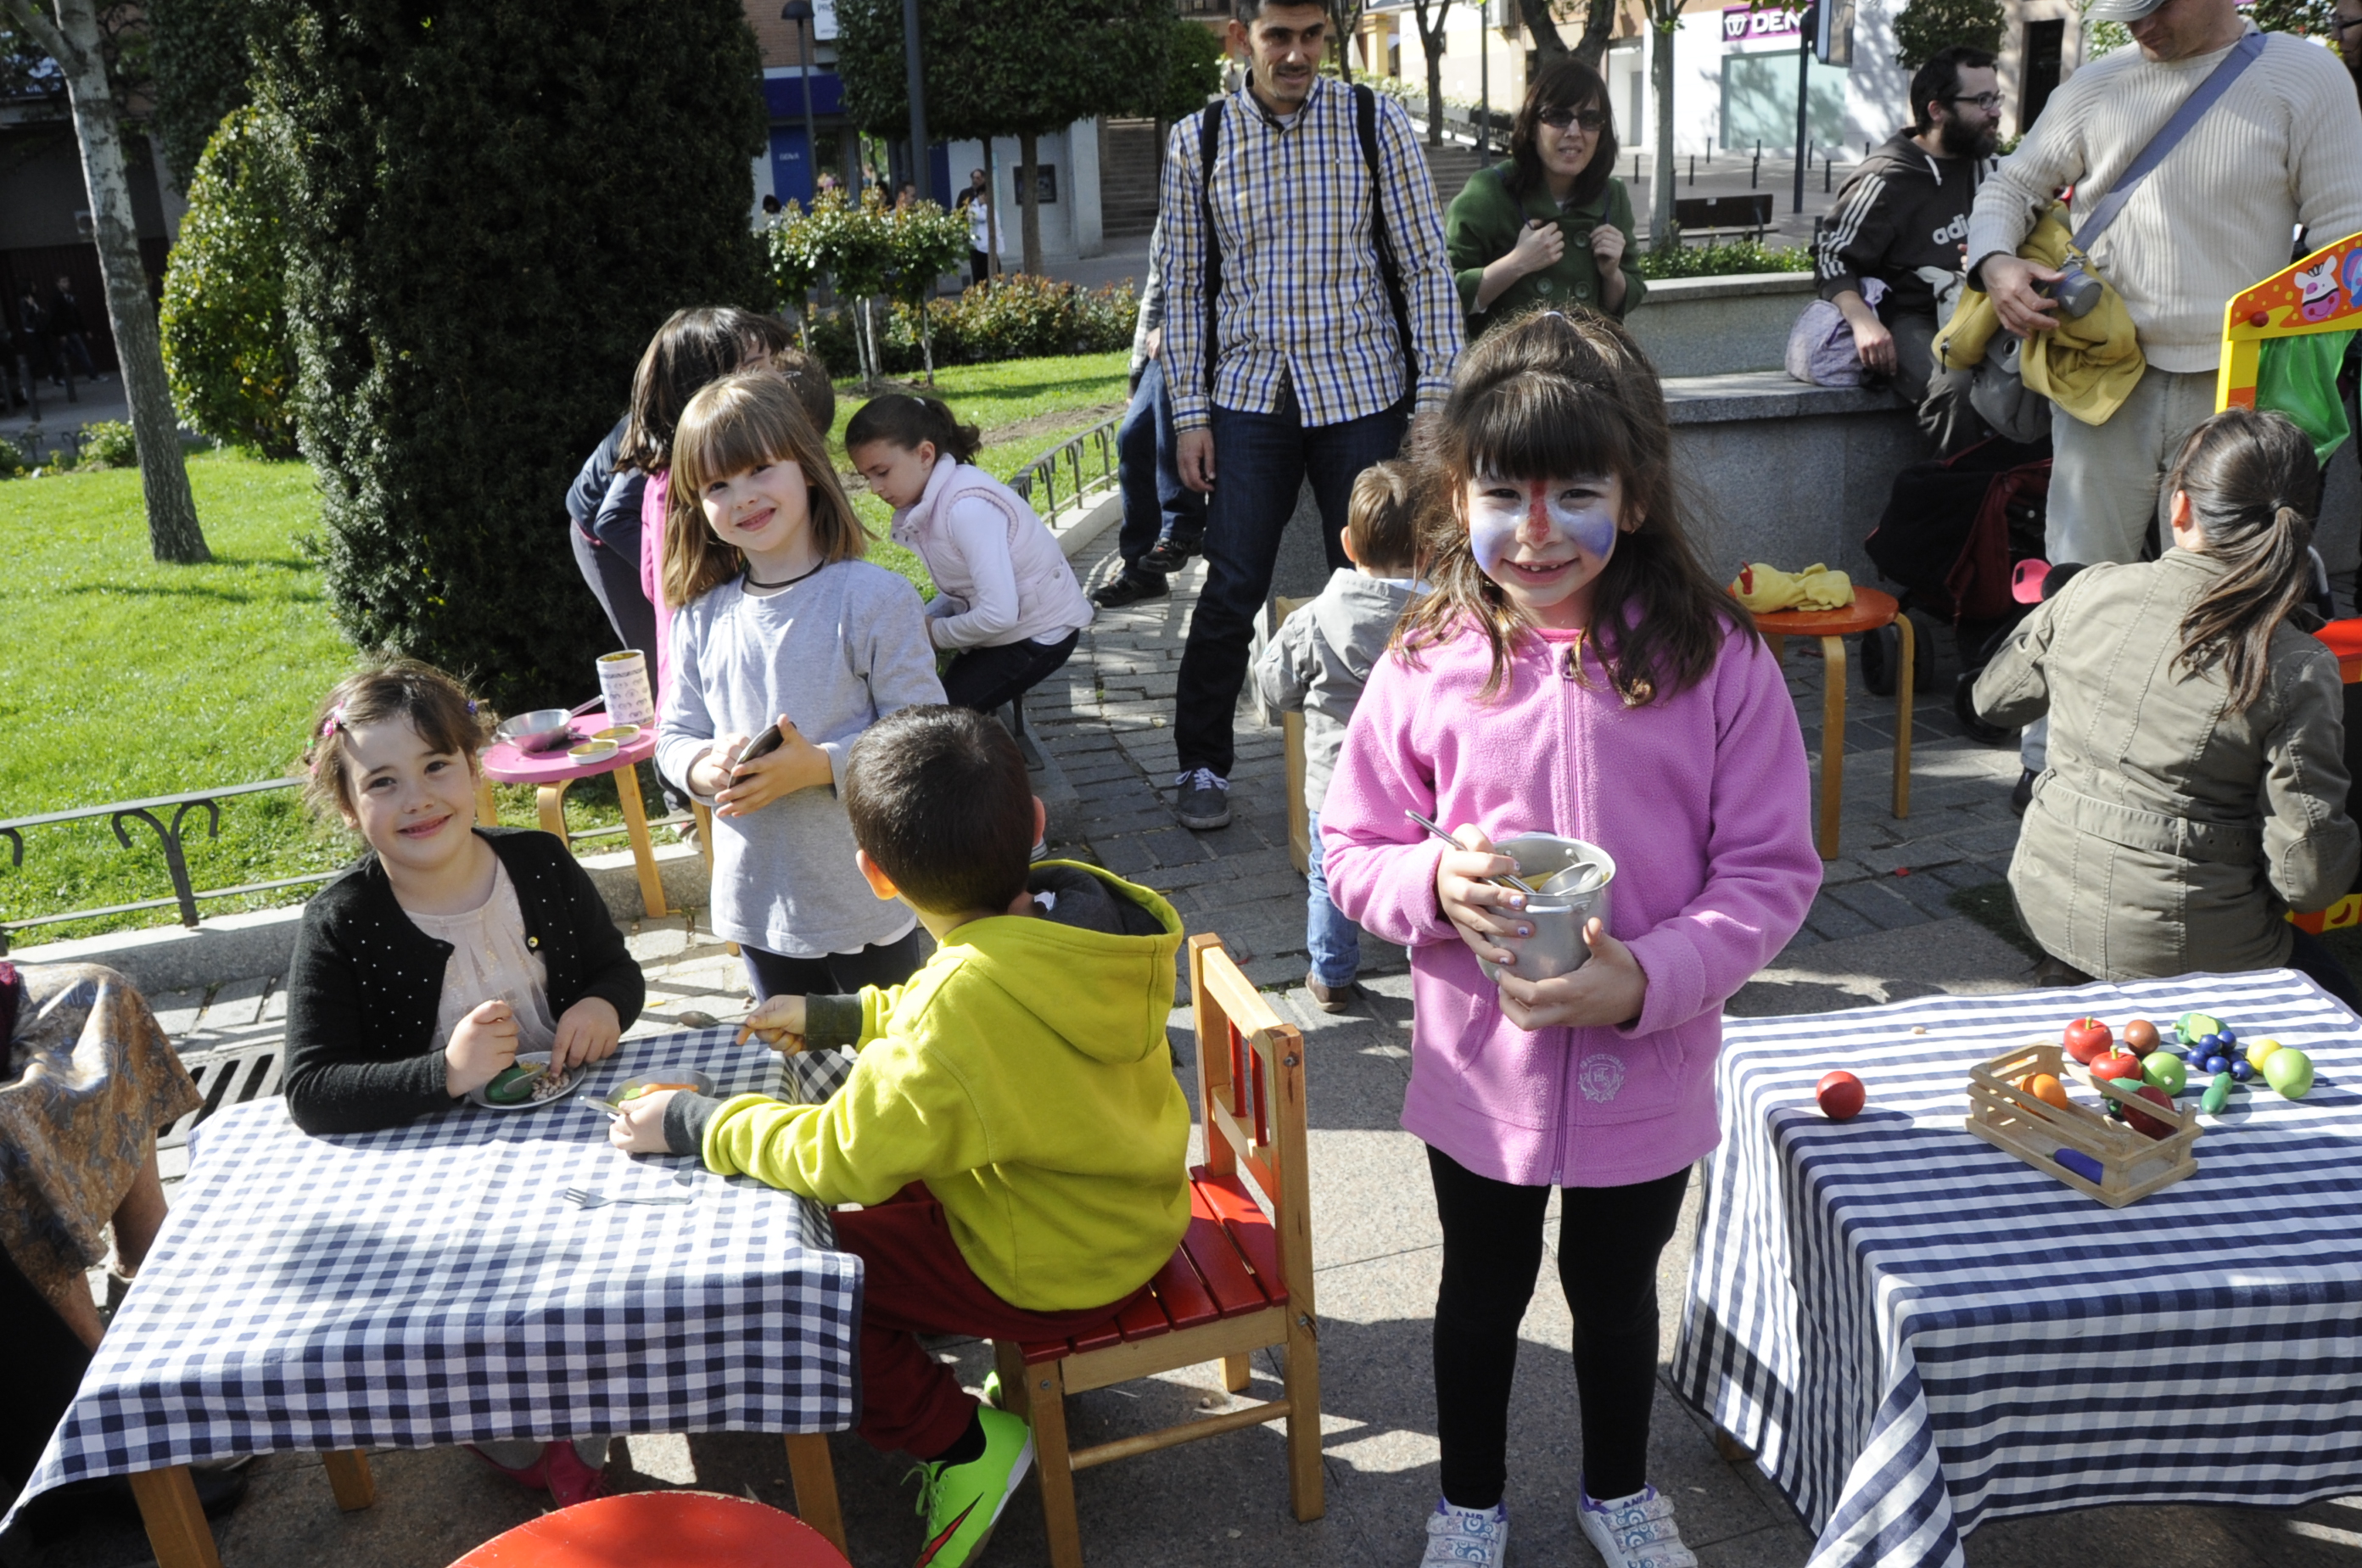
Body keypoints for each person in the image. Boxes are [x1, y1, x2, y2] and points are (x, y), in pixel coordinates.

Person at [1320, 311, 1820, 1568]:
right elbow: (1351, 847)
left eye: (1574, 494)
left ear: (1637, 498)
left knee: (1615, 1297)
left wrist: (1649, 976)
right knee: (1479, 1296)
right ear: (1455, 495)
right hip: (1479, 1070)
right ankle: (1470, 1504)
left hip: (1649, 1068)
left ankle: (1618, 1490)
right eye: (1503, 493)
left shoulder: (1717, 661)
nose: (1535, 529)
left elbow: (1770, 871)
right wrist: (1436, 883)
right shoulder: (1429, 656)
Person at [608, 704, 1191, 1568]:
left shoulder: (965, 1003)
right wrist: (840, 1014)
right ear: (1033, 824)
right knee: (886, 1200)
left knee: (818, 1289)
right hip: (1129, 1212)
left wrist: (692, 1122)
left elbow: (837, 1152)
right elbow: (949, 1014)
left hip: (1057, 1261)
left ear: (873, 876)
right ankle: (970, 1394)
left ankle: (962, 1444)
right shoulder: (1077, 918)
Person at [1965, 0, 2362, 805]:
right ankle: (2052, 765)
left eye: (2155, 6)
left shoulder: (2305, 75)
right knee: (2081, 579)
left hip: (2239, 389)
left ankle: (2213, 774)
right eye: (2125, 9)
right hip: (2102, 375)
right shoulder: (2097, 84)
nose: (2138, 25)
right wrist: (1997, 266)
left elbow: (2344, 242)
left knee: (2229, 588)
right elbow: (2009, 186)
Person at [279, 660, 645, 1504]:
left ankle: (590, 1410)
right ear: (347, 806)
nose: (418, 798)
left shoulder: (541, 866)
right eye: (383, 781)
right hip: (439, 1184)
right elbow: (311, 1089)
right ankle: (514, 1433)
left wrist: (600, 1005)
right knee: (470, 1320)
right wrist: (441, 1072)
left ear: (476, 770)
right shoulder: (341, 922)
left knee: (598, 1283)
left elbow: (617, 971)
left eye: (437, 766)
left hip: (575, 1137)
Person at [1159, 0, 1464, 831]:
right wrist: (1190, 414)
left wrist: (1434, 404)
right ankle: (1202, 766)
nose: (1296, 55)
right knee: (1230, 585)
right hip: (1250, 398)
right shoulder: (1200, 140)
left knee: (1394, 588)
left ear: (1330, 36)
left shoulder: (1377, 122)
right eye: (1277, 37)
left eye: (1311, 37)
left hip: (1362, 393)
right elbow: (1185, 292)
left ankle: (1420, 760)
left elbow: (1426, 269)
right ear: (1241, 38)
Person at [1972, 408, 2362, 1000]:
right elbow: (2308, 880)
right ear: (2299, 526)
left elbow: (1993, 701)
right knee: (2339, 1008)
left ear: (2180, 509)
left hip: (2046, 899)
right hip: (2200, 944)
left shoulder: (2088, 589)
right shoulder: (2296, 662)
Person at [657, 371, 945, 1000]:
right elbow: (673, 735)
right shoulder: (700, 617)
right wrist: (704, 768)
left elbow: (924, 735)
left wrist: (820, 766)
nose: (743, 497)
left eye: (760, 468)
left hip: (865, 901)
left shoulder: (872, 598)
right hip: (758, 907)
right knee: (805, 1083)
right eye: (717, 485)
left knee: (891, 1071)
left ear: (807, 466)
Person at [1254, 460, 1427, 1011]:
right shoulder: (1449, 618)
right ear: (1432, 549)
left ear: (1349, 543)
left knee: (1329, 881)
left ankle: (1330, 976)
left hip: (1336, 789)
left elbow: (1273, 690)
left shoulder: (1311, 620)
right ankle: (1429, 976)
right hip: (1421, 792)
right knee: (1420, 877)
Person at [565, 310, 799, 674]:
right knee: (667, 645)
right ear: (706, 381)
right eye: (755, 367)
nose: (777, 378)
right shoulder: (668, 453)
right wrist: (678, 576)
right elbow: (610, 519)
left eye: (773, 362)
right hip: (599, 530)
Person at [845, 394, 1094, 722]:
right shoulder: (933, 501)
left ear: (925, 454)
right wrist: (915, 621)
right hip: (1012, 631)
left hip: (1042, 635)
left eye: (882, 472)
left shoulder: (966, 509)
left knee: (935, 719)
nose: (875, 489)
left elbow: (1000, 615)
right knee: (926, 702)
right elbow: (963, 590)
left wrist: (932, 633)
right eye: (867, 478)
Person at [1815, 46, 2001, 452]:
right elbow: (1831, 257)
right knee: (1955, 386)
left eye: (1996, 98)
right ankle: (1964, 502)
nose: (1995, 112)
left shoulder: (1993, 169)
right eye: (1982, 101)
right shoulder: (1886, 177)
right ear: (1937, 110)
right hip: (1912, 316)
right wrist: (1863, 320)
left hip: (1984, 308)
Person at [1445, 57, 1646, 338]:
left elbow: (1624, 301)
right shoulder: (1488, 192)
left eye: (1590, 119)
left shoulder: (1612, 196)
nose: (1574, 132)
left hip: (1585, 370)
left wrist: (1612, 273)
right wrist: (1516, 263)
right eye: (1558, 117)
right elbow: (1444, 295)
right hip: (1509, 373)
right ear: (1532, 124)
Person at [1094, 218, 1208, 608]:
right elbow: (1156, 289)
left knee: (1168, 383)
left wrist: (1181, 329)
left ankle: (1181, 526)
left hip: (1222, 337)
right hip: (1169, 346)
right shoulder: (1174, 213)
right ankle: (1142, 571)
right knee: (1131, 435)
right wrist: (1135, 370)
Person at [47, 277, 98, 384]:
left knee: (65, 354)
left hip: (71, 329)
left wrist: (85, 329)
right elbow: (55, 317)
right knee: (82, 352)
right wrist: (61, 333)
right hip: (67, 330)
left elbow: (76, 315)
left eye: (68, 281)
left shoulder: (69, 297)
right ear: (58, 284)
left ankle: (54, 375)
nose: (67, 284)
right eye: (64, 282)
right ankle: (93, 375)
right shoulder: (56, 298)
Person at [955, 168, 993, 286]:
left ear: (984, 179)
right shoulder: (965, 194)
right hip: (973, 235)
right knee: (977, 267)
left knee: (992, 264)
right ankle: (980, 290)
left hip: (988, 236)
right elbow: (959, 213)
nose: (975, 180)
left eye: (978, 178)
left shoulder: (989, 192)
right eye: (973, 178)